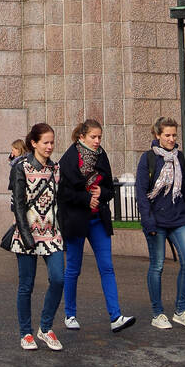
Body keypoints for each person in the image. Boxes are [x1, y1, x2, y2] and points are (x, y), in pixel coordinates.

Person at [58, 119, 135, 334]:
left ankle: (116, 316)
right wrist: (86, 199)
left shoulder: (102, 155)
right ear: (81, 137)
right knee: (73, 268)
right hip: (76, 220)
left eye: (99, 137)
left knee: (107, 267)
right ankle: (70, 314)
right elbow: (63, 193)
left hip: (97, 219)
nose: (97, 141)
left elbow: (110, 187)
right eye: (93, 137)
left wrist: (102, 193)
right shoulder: (69, 158)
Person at [135, 116, 185, 330]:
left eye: (174, 135)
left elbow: (184, 191)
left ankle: (181, 310)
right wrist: (148, 222)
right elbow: (142, 193)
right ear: (157, 135)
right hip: (156, 220)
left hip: (178, 218)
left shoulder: (180, 158)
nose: (171, 139)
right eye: (167, 135)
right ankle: (157, 313)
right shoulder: (148, 159)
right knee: (157, 265)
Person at [8, 123, 65, 351]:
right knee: (26, 285)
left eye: (52, 142)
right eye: (46, 142)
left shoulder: (56, 168)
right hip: (27, 234)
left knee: (59, 279)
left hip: (51, 233)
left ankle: (46, 327)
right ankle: (26, 333)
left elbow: (58, 201)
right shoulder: (21, 167)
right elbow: (19, 205)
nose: (50, 146)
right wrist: (26, 234)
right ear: (34, 143)